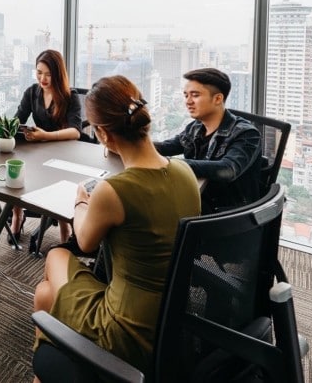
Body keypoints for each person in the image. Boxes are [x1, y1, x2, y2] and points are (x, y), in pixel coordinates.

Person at [32, 75, 201, 379]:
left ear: (104, 136)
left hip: (126, 330)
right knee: (45, 294)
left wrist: (82, 202)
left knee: (56, 256)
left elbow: (84, 242)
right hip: (176, 321)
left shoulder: (115, 190)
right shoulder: (185, 172)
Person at [154, 68, 262, 213]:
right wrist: (131, 143)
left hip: (226, 215)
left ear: (218, 99)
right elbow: (167, 147)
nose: (188, 101)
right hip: (198, 199)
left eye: (195, 95)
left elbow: (227, 169)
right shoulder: (196, 127)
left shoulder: (247, 134)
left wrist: (169, 164)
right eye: (186, 95)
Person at [11, 50, 82, 242]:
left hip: (63, 154)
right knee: (16, 171)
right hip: (37, 150)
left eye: (48, 74)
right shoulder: (32, 92)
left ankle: (65, 229)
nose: (43, 78)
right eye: (39, 72)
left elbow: (75, 131)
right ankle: (17, 215)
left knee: (59, 185)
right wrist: (8, 129)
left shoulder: (70, 96)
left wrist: (46, 136)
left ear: (58, 74)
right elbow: (18, 120)